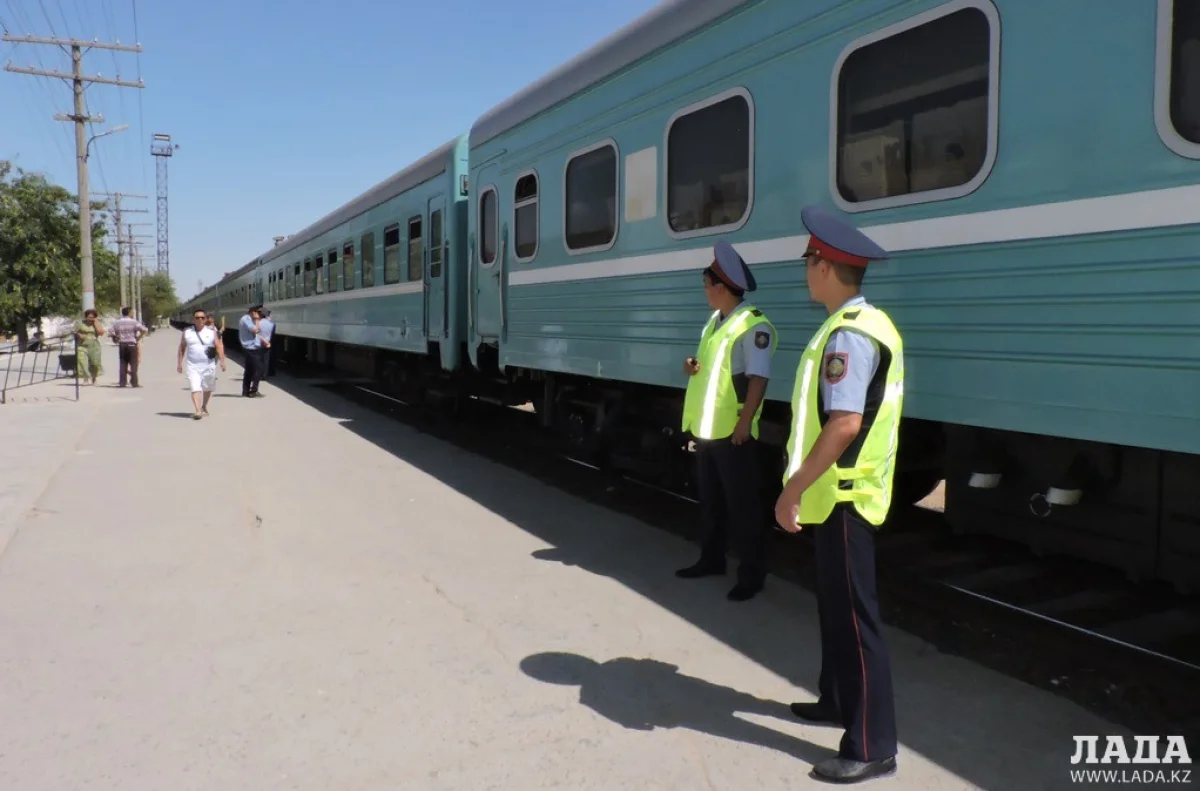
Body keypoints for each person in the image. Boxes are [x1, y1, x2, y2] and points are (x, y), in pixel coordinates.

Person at [774, 205, 904, 784]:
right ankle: (835, 701)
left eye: (808, 260)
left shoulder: (849, 335)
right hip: (837, 497)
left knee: (856, 622)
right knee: (835, 609)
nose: (806, 269)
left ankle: (873, 745)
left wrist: (791, 490)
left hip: (844, 497)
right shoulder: (854, 323)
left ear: (824, 266)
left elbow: (844, 423)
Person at [676, 240, 777, 601]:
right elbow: (713, 369)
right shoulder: (715, 322)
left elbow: (758, 378)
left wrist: (744, 424)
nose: (704, 291)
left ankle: (752, 575)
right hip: (707, 431)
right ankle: (711, 559)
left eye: (706, 285)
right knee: (712, 501)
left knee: (743, 507)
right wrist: (692, 365)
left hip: (733, 434)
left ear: (720, 287)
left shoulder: (753, 326)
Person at [177, 308, 226, 419]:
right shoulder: (187, 332)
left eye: (202, 318)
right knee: (195, 387)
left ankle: (204, 406)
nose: (200, 319)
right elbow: (181, 348)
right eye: (197, 317)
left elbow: (218, 346)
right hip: (192, 365)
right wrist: (179, 363)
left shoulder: (211, 332)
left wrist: (222, 361)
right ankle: (198, 410)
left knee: (207, 388)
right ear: (193, 319)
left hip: (209, 365)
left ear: (205, 319)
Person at [108, 307, 147, 387]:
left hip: (122, 344)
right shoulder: (134, 322)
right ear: (129, 313)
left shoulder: (117, 322)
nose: (132, 313)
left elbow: (110, 331)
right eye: (132, 312)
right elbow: (144, 330)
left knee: (123, 363)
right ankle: (134, 383)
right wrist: (138, 338)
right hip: (132, 344)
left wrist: (116, 337)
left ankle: (122, 383)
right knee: (133, 364)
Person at [238, 305, 266, 397]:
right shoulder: (246, 319)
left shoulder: (249, 319)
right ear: (253, 312)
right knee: (259, 369)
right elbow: (256, 330)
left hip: (253, 347)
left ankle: (245, 391)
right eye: (258, 312)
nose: (260, 315)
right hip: (250, 348)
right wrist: (257, 320)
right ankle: (253, 390)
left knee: (249, 370)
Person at [74, 309, 104, 385]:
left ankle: (94, 377)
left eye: (92, 317)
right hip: (82, 345)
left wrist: (95, 323)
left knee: (94, 362)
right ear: (86, 317)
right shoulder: (80, 323)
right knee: (82, 362)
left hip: (94, 345)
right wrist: (78, 335)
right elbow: (74, 332)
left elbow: (101, 333)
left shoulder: (96, 323)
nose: (90, 319)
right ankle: (85, 379)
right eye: (89, 317)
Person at [259, 308, 276, 379]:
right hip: (267, 343)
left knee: (260, 359)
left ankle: (260, 373)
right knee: (266, 359)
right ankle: (265, 375)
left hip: (259, 342)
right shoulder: (272, 324)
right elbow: (272, 334)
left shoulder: (259, 323)